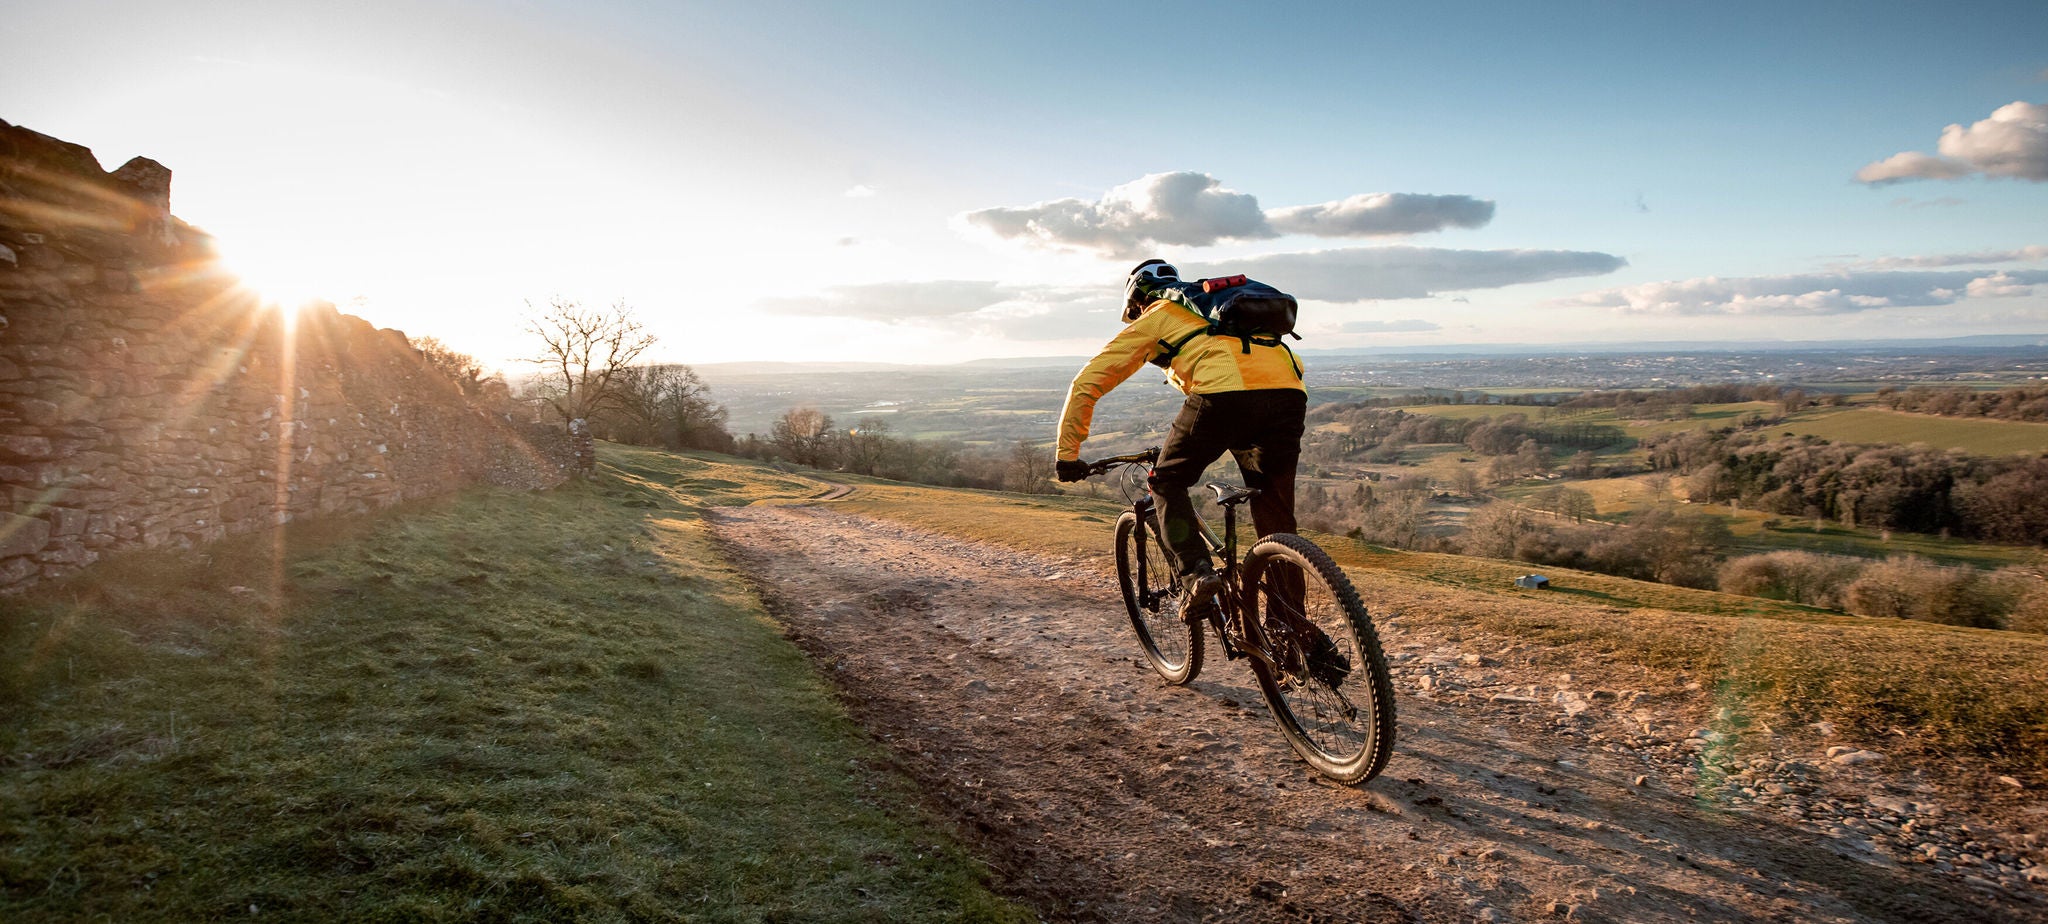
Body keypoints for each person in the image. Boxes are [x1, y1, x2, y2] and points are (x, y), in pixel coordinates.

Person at [1054, 259, 1306, 623]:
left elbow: (1086, 383)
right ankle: (1292, 627)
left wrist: (1068, 454)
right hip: (1289, 395)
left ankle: (1195, 574)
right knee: (1275, 513)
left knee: (1167, 481)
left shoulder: (1159, 312)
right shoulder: (1216, 310)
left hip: (1223, 396)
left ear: (1137, 302)